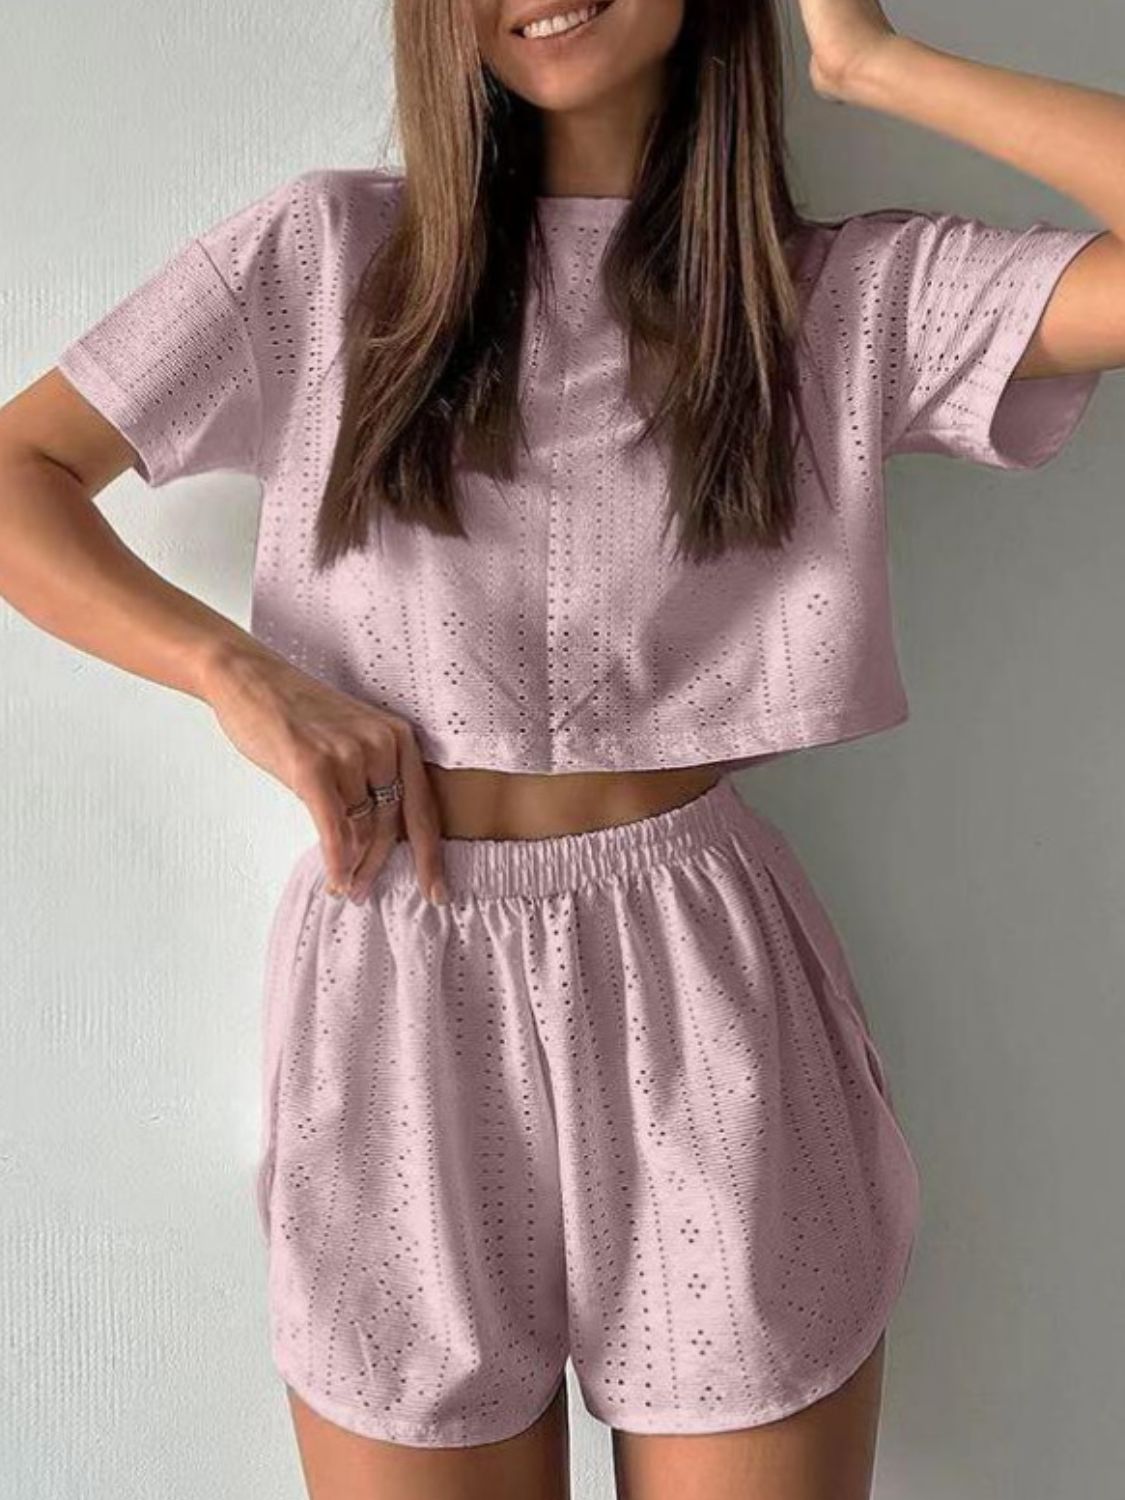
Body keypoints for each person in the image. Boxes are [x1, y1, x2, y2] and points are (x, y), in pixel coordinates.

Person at [1, 0, 1121, 1495]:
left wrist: (871, 59)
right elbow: (18, 468)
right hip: (394, 980)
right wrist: (232, 673)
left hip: (699, 982)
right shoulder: (322, 260)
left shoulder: (826, 298)